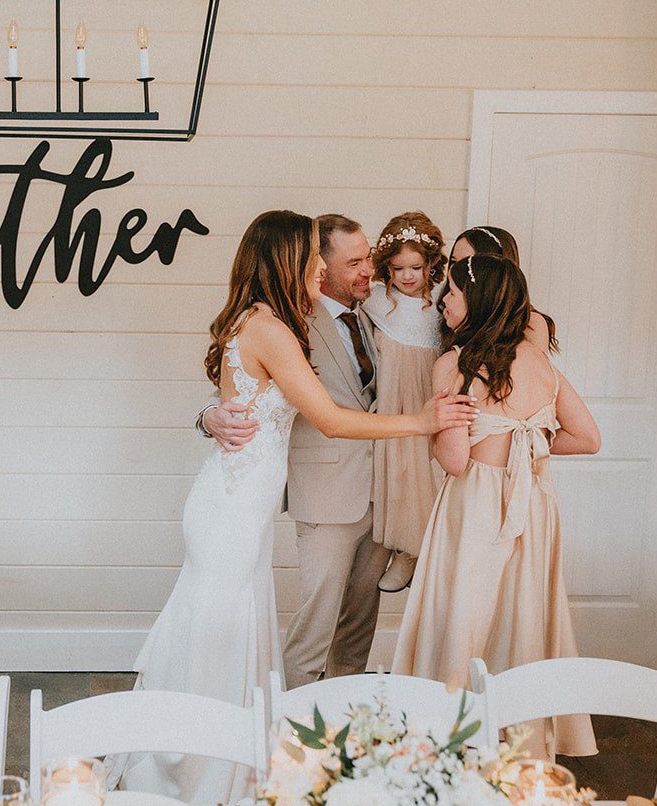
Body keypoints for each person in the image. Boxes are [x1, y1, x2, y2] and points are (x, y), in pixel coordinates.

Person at [123, 210, 476, 803]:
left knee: (230, 623)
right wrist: (421, 422)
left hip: (241, 501)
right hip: (235, 506)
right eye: (314, 257)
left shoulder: (268, 320)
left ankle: (229, 750)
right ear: (289, 260)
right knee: (223, 627)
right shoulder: (273, 329)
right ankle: (197, 764)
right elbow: (332, 421)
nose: (322, 267)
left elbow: (247, 396)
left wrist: (214, 414)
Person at [391, 254, 600, 761]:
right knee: (524, 612)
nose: (443, 303)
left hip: (479, 504)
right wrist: (532, 443)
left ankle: (447, 738)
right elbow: (589, 437)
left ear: (477, 300)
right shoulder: (543, 366)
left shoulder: (457, 365)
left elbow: (457, 460)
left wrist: (439, 438)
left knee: (465, 608)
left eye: (453, 295)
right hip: (534, 503)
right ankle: (521, 743)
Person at [204, 213, 419, 689]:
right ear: (319, 265)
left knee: (359, 626)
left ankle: (344, 730)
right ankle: (293, 727)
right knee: (315, 626)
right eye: (355, 262)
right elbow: (246, 385)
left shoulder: (382, 312)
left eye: (369, 258)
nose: (370, 270)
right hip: (325, 494)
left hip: (380, 494)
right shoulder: (291, 319)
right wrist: (208, 416)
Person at [365, 212, 449, 594]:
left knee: (427, 472)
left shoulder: (443, 303)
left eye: (416, 267)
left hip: (428, 399)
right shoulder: (378, 301)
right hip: (393, 404)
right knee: (396, 472)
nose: (408, 276)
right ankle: (401, 546)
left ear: (431, 263)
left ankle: (423, 550)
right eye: (398, 268)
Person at [447, 225, 557, 352]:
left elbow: (532, 370)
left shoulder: (531, 324)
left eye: (467, 263)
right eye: (454, 262)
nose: (455, 270)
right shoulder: (449, 308)